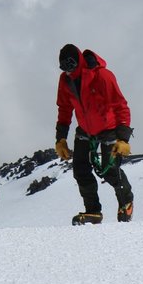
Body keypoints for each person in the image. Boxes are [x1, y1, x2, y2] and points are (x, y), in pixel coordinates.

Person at [55, 43, 133, 225]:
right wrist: (61, 138)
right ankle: (93, 212)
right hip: (85, 130)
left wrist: (123, 138)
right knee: (80, 169)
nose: (68, 71)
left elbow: (120, 105)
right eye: (64, 67)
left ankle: (126, 202)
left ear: (79, 61)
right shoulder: (65, 81)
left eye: (71, 65)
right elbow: (64, 109)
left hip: (109, 129)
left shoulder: (102, 76)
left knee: (110, 170)